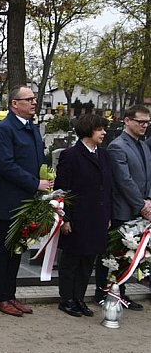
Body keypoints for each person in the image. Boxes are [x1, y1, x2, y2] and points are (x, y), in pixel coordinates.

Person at [0, 85, 50, 317]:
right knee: (4, 249)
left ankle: (10, 295)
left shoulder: (31, 127)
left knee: (18, 249)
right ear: (15, 104)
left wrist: (45, 178)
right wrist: (35, 183)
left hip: (29, 200)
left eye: (34, 99)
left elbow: (38, 159)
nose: (34, 102)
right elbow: (6, 165)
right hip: (11, 200)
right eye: (29, 99)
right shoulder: (4, 130)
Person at [54, 114, 112, 317]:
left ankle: (79, 297)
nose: (104, 132)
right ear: (88, 130)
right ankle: (66, 299)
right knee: (71, 260)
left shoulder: (104, 155)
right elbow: (62, 188)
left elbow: (108, 187)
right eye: (100, 129)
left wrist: (108, 215)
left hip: (97, 216)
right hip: (77, 216)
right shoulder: (70, 155)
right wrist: (65, 218)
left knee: (88, 260)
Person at [96, 104, 151, 309]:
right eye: (140, 122)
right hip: (123, 209)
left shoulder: (143, 145)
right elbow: (124, 180)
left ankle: (121, 292)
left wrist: (149, 199)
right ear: (127, 121)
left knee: (129, 255)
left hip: (141, 207)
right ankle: (104, 292)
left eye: (147, 122)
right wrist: (142, 205)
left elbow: (148, 176)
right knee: (114, 253)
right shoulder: (118, 146)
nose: (144, 126)